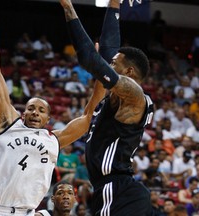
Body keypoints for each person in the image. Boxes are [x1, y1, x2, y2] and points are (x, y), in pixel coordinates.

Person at [0, 5, 105, 216]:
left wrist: (101, 70)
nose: (35, 112)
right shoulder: (8, 123)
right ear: (23, 113)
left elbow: (89, 114)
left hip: (27, 212)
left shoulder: (54, 140)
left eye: (41, 110)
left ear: (48, 118)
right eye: (31, 108)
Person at [59, 0, 154, 215]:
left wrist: (68, 8)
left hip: (117, 189)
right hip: (115, 189)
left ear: (129, 72)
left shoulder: (135, 95)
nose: (109, 64)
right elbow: (109, 48)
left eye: (114, 63)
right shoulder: (119, 94)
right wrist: (114, 3)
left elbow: (89, 59)